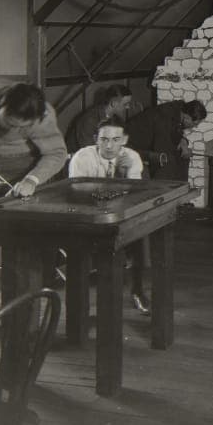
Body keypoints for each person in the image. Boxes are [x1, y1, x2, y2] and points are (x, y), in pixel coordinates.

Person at [0, 77, 68, 335]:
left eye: (21, 129)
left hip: (25, 178)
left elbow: (57, 154)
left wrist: (31, 180)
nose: (12, 132)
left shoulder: (44, 115)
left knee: (24, 257)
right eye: (9, 123)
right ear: (1, 103)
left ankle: (22, 330)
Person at [68, 117, 149, 313]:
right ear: (96, 139)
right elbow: (78, 194)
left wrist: (124, 172)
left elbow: (133, 196)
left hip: (120, 215)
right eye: (104, 139)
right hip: (89, 215)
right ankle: (79, 304)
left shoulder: (132, 157)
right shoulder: (82, 157)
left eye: (115, 139)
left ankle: (138, 291)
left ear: (125, 139)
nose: (110, 145)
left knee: (139, 237)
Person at [125, 99, 207, 181]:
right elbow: (163, 148)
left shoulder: (177, 112)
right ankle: (163, 190)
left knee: (182, 157)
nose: (195, 126)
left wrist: (183, 142)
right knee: (167, 159)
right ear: (187, 118)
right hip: (130, 147)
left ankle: (180, 189)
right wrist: (181, 149)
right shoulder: (164, 116)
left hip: (145, 145)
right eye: (195, 123)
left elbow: (174, 134)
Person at [64, 84, 134, 154]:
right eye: (125, 104)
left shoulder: (117, 120)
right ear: (113, 103)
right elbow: (89, 152)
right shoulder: (90, 120)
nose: (128, 107)